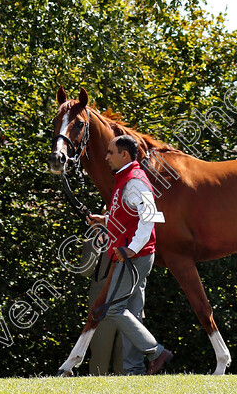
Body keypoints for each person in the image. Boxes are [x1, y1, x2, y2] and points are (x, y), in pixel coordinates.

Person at [87, 134, 172, 375]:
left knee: (113, 308)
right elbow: (132, 215)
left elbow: (149, 217)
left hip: (133, 256)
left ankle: (156, 352)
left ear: (124, 155)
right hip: (135, 253)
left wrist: (131, 249)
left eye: (110, 152)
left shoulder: (134, 181)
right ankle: (133, 369)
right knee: (132, 312)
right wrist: (104, 220)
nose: (106, 157)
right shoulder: (126, 179)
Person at [80, 232, 125, 375]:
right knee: (100, 362)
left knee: (128, 365)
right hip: (102, 308)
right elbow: (85, 272)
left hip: (129, 305)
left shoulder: (137, 238)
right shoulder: (92, 242)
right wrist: (97, 245)